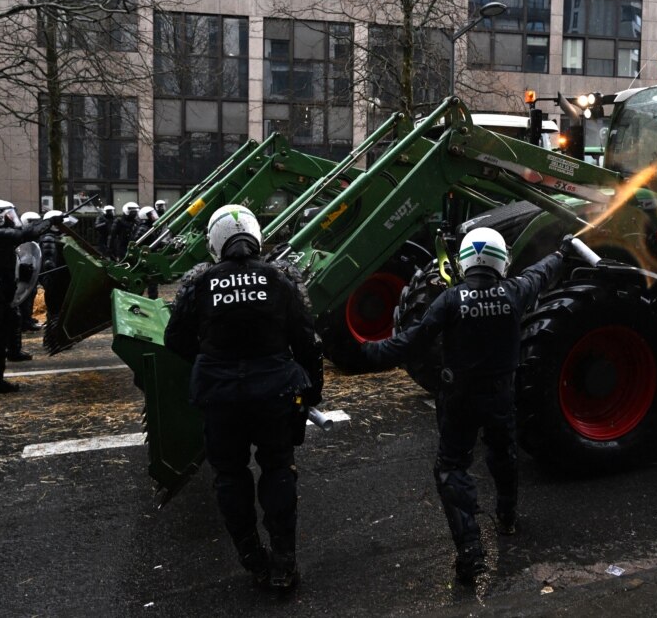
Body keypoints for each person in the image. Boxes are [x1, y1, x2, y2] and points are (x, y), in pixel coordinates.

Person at [360, 227, 569, 583]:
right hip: (501, 394)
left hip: (459, 399)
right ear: (501, 259)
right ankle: (506, 517)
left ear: (465, 261)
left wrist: (365, 352)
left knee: (452, 467)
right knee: (503, 452)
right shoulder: (514, 292)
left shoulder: (451, 300)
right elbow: (541, 273)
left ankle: (470, 550)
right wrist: (561, 254)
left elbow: (413, 341)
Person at [164, 204, 323, 592]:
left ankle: (254, 560)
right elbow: (307, 342)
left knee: (230, 476)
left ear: (214, 243)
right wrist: (313, 392)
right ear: (256, 236)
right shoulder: (280, 280)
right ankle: (285, 563)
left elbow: (175, 340)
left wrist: (210, 361)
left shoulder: (200, 284)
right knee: (278, 469)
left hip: (220, 397)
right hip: (274, 394)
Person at [0, 200, 59, 403]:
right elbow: (24, 234)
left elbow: (7, 259)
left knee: (1, 340)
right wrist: (48, 222)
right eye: (7, 214)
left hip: (1, 293)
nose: (11, 218)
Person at [133, 206, 160, 298]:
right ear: (146, 216)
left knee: (151, 282)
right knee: (148, 281)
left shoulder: (148, 227)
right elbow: (137, 242)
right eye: (151, 215)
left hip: (148, 258)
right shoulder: (143, 228)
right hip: (145, 259)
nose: (154, 216)